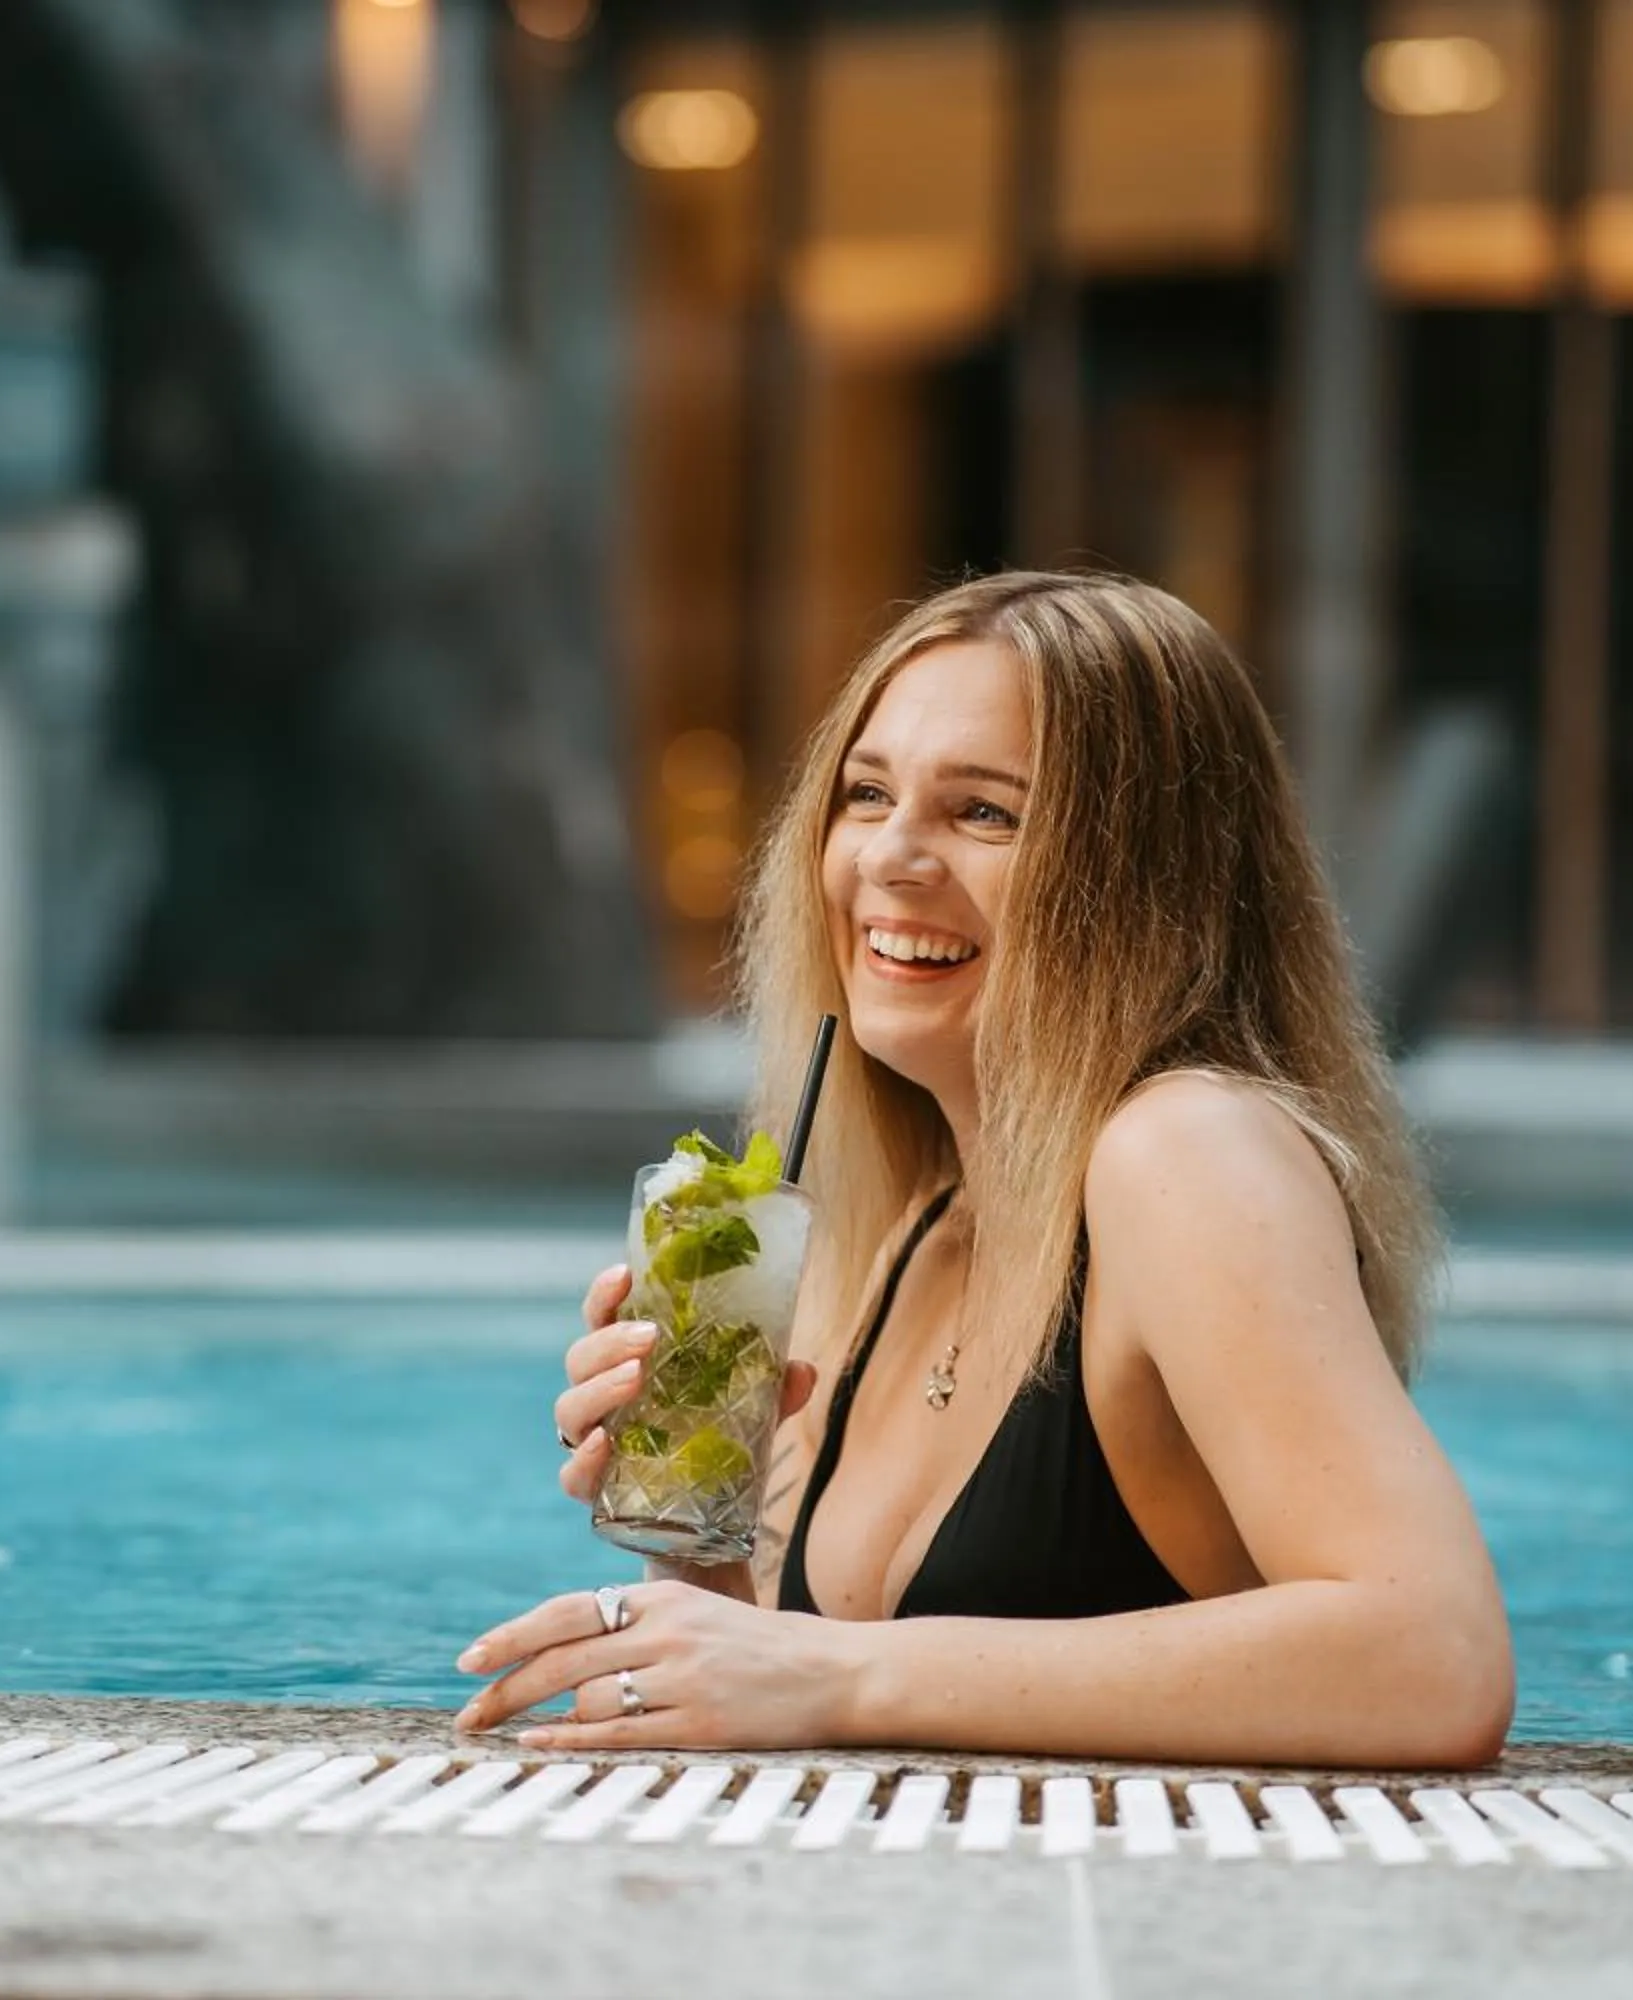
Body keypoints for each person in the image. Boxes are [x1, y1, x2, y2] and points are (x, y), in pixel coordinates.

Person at [454, 571, 1513, 1768]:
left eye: (985, 812)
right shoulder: (909, 1223)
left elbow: (1436, 1656)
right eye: (867, 794)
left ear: (1143, 871)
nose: (891, 857)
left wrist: (832, 1672)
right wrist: (697, 1554)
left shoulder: (1185, 1151)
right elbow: (844, 1699)